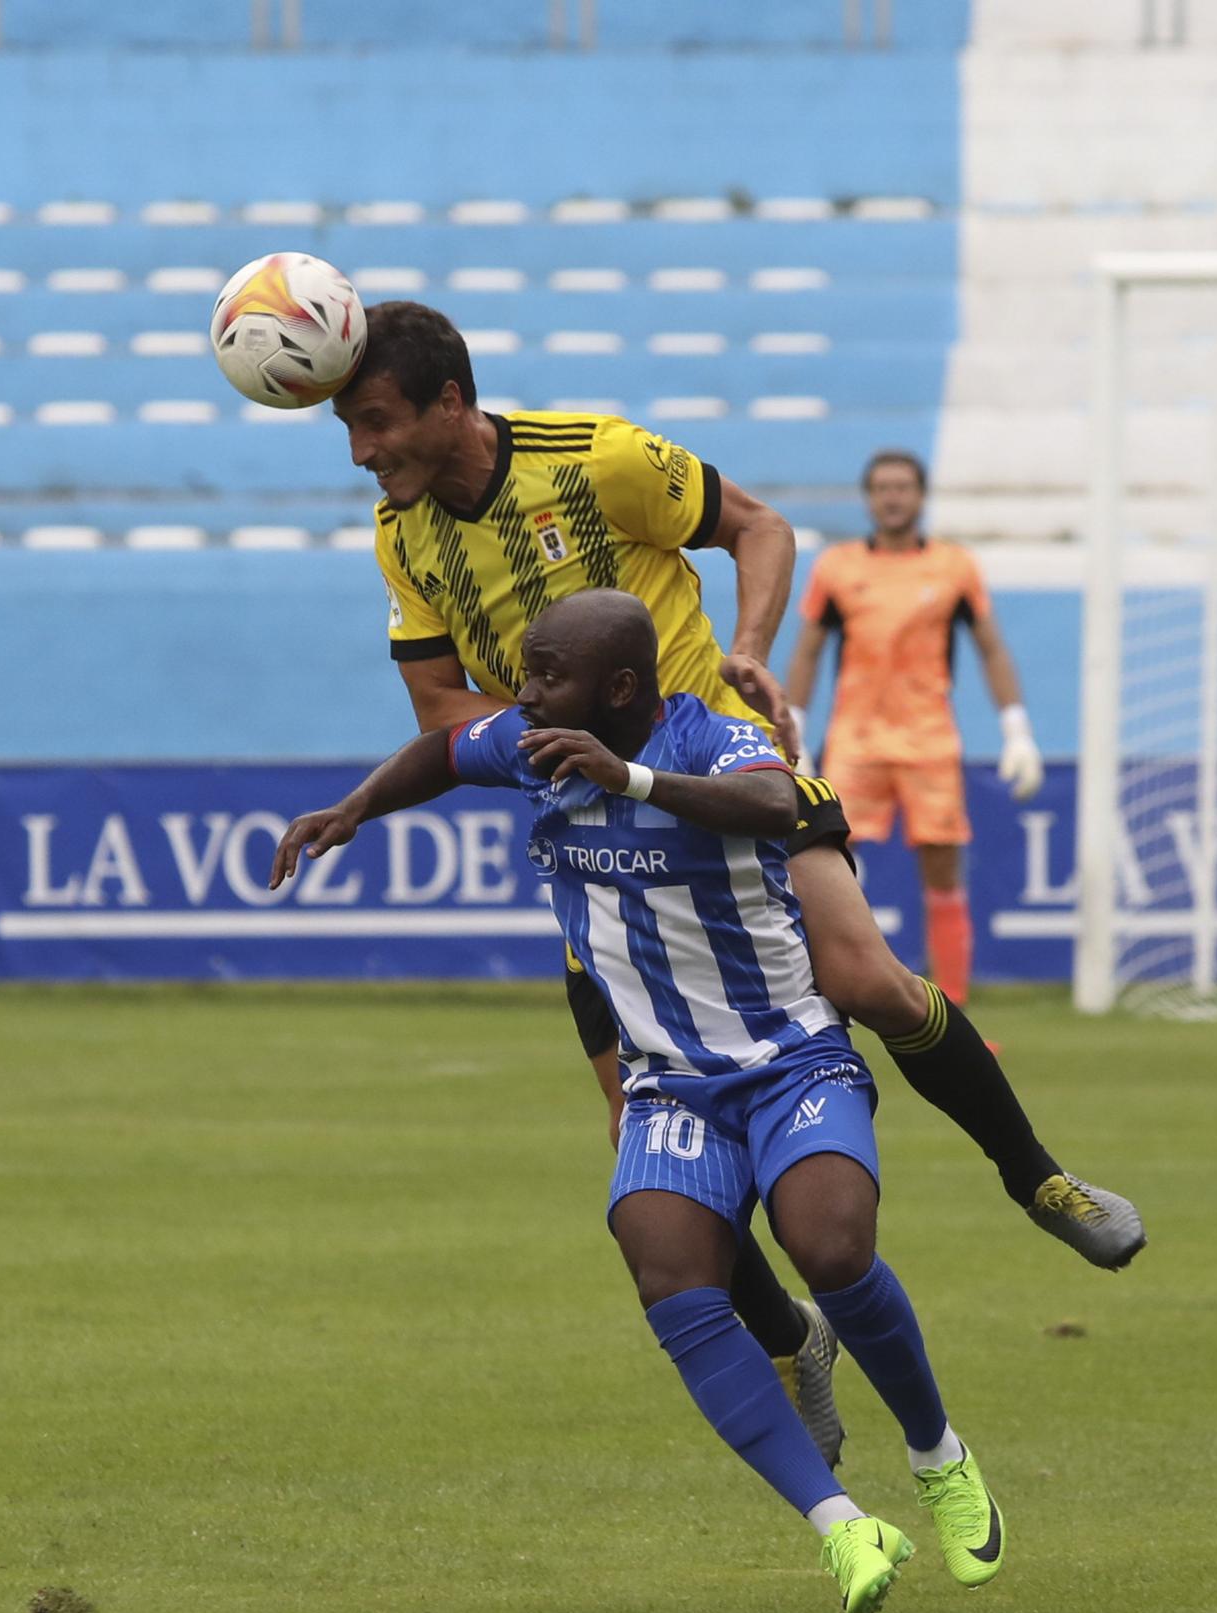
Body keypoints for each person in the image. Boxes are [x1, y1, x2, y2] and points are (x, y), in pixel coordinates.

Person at [328, 304, 1144, 1462]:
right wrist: (552, 745)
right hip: (606, 848)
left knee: (862, 972)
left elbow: (759, 526)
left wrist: (749, 645)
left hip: (725, 776)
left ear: (450, 402)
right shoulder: (403, 539)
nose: (364, 453)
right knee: (640, 1128)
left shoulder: (596, 457)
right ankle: (786, 1335)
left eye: (376, 424)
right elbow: (439, 712)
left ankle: (1041, 1178)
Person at [270, 591, 1006, 1613]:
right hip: (671, 1080)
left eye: (547, 675)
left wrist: (637, 779)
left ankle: (938, 1453)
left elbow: (777, 806)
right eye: (526, 675)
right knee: (666, 1266)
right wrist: (355, 806)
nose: (525, 695)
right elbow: (441, 751)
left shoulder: (717, 735)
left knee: (831, 1247)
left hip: (789, 1056)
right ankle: (842, 1524)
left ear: (621, 688)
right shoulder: (535, 741)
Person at [784, 448, 1044, 1011]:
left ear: (920, 496)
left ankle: (952, 1012)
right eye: (883, 487)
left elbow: (990, 646)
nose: (893, 496)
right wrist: (795, 731)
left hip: (929, 739)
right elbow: (807, 651)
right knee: (823, 864)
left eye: (903, 487)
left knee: (944, 867)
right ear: (869, 497)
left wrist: (1016, 728)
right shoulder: (838, 567)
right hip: (856, 738)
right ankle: (816, 1006)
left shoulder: (954, 566)